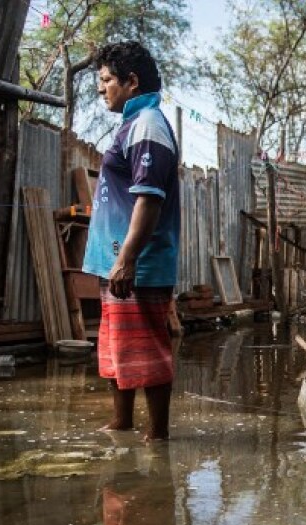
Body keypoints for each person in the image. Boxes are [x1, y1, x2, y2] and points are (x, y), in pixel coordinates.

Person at [82, 41, 180, 441]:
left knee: (147, 350)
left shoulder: (148, 125)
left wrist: (126, 258)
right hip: (116, 261)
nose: (101, 89)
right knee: (115, 348)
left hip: (136, 263)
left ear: (131, 81)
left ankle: (158, 436)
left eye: (106, 80)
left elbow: (149, 199)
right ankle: (122, 421)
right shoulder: (132, 123)